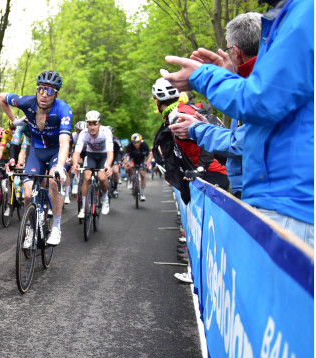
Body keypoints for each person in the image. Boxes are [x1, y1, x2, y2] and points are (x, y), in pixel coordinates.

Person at [160, 0, 313, 246]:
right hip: (277, 197)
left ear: (236, 51)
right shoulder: (292, 14)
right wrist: (233, 76)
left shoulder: (305, 11)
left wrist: (203, 78)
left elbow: (261, 105)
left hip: (291, 203)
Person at [168, 12, 262, 199]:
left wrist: (197, 129)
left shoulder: (263, 90)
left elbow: (242, 144)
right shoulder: (258, 85)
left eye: (228, 50)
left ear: (236, 52)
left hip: (260, 192)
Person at [0, 70, 72, 246]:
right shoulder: (27, 102)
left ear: (56, 94)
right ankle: (30, 227)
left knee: (54, 182)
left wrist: (61, 167)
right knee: (28, 193)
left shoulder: (63, 109)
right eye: (41, 89)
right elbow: (1, 97)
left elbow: (64, 143)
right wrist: (13, 119)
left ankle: (56, 227)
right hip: (36, 151)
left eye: (50, 91)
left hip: (55, 151)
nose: (44, 94)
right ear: (37, 90)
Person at [71, 111, 113, 217]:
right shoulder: (84, 134)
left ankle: (105, 198)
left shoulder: (106, 132)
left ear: (99, 124)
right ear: (87, 125)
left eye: (95, 124)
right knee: (87, 177)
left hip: (103, 155)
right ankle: (84, 207)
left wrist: (108, 165)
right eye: (90, 124)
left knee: (102, 177)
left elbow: (110, 153)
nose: (92, 127)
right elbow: (77, 152)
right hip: (91, 155)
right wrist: (75, 163)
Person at [123, 133, 152, 201]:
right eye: (134, 142)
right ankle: (130, 179)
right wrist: (125, 163)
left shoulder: (144, 145)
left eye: (137, 142)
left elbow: (149, 155)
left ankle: (142, 193)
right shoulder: (130, 146)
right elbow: (126, 156)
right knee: (129, 167)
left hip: (141, 160)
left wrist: (147, 163)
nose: (135, 144)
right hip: (133, 160)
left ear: (140, 141)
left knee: (142, 174)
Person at [66, 120, 87, 203]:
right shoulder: (73, 136)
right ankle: (75, 182)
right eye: (78, 131)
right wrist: (69, 157)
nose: (80, 133)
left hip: (87, 152)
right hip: (76, 151)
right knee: (73, 163)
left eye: (82, 131)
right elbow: (69, 148)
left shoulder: (88, 135)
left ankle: (78, 182)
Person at [108, 126, 123, 197]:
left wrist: (120, 161)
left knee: (116, 171)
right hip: (106, 157)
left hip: (115, 157)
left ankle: (115, 188)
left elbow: (121, 150)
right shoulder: (102, 139)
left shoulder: (116, 140)